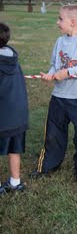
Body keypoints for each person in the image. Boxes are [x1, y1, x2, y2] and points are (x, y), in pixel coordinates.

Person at [30, 5, 77, 184]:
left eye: (60, 19)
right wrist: (51, 73)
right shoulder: (60, 41)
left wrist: (67, 73)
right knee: (53, 133)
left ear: (73, 22)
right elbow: (55, 64)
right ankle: (48, 165)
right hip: (59, 96)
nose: (57, 22)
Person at [0, 23, 29, 194]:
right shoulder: (12, 58)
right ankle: (15, 182)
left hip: (3, 118)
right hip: (18, 116)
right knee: (14, 149)